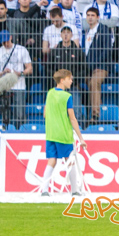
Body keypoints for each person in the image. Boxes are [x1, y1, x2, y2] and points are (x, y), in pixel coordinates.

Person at [39, 67, 84, 196]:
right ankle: (75, 190)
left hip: (51, 133)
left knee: (52, 160)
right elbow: (72, 118)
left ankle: (44, 190)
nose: (71, 81)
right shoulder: (67, 96)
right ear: (62, 80)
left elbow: (45, 114)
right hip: (63, 134)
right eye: (70, 79)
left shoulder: (50, 93)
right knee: (70, 160)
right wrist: (81, 138)